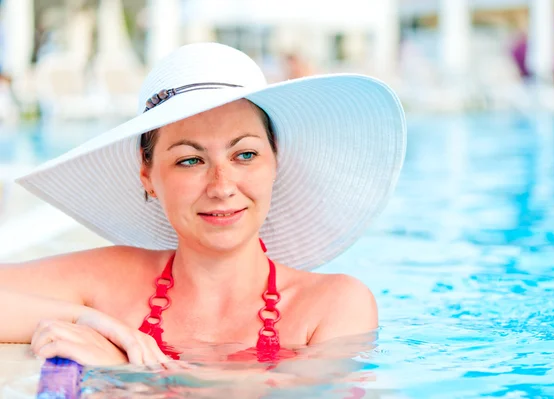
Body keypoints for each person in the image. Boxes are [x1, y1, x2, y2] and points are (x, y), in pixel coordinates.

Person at [0, 43, 406, 366]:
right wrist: (87, 321)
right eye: (190, 160)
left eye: (244, 155)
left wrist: (126, 370)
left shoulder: (333, 305)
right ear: (148, 175)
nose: (221, 185)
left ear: (274, 160)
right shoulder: (109, 279)